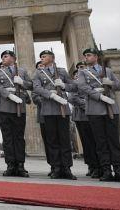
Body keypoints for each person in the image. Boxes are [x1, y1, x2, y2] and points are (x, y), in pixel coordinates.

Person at [77, 48, 120, 182]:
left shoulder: (107, 70)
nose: (86, 57)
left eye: (89, 55)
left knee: (114, 141)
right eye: (85, 55)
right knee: (101, 142)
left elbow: (119, 86)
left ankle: (118, 169)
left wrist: (111, 83)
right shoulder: (83, 72)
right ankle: (106, 170)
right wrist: (98, 95)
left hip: (111, 109)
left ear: (96, 57)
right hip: (95, 110)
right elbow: (82, 86)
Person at [32, 50, 77, 180]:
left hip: (62, 107)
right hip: (48, 108)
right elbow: (37, 88)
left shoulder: (61, 71)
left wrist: (63, 86)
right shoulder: (38, 73)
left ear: (52, 58)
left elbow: (73, 87)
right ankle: (56, 167)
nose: (42, 58)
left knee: (64, 139)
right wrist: (50, 94)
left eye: (44, 56)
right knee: (52, 140)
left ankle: (67, 167)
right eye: (41, 56)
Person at [0, 50, 32, 177]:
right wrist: (9, 95)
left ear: (13, 58)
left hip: (19, 107)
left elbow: (31, 86)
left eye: (6, 56)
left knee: (19, 137)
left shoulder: (23, 71)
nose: (3, 58)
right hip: (5, 107)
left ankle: (20, 165)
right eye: (2, 57)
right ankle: (10, 164)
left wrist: (22, 82)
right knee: (8, 138)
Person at [68, 67, 99, 178]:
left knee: (97, 142)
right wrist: (89, 105)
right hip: (82, 117)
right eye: (76, 75)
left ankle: (101, 165)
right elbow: (72, 98)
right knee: (87, 143)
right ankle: (92, 166)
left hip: (95, 115)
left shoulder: (90, 82)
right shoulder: (75, 85)